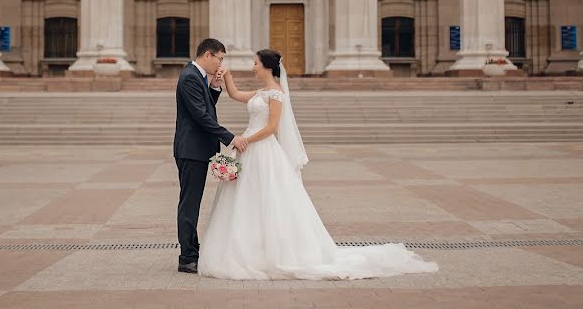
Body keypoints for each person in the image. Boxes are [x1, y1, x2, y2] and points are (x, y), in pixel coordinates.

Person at [197, 49, 439, 280]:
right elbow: (236, 95)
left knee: (268, 198)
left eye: (255, 64)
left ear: (268, 67)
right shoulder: (261, 92)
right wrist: (226, 75)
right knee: (245, 198)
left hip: (260, 148)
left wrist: (244, 140)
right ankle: (247, 247)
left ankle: (272, 251)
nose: (253, 67)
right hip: (248, 150)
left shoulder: (276, 93)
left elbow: (271, 128)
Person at [173, 38, 248, 274]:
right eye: (220, 58)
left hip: (197, 149)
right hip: (191, 150)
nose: (221, 63)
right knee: (190, 204)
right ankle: (187, 258)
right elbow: (201, 117)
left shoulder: (197, 77)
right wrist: (230, 138)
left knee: (192, 203)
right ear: (208, 55)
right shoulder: (189, 77)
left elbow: (206, 107)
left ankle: (191, 251)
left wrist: (215, 87)